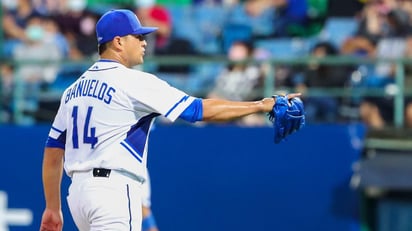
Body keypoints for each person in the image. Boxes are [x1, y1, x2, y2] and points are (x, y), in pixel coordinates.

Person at [39, 9, 301, 231]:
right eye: (138, 36)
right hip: (113, 191)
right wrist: (260, 104)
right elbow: (198, 110)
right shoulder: (133, 80)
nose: (144, 42)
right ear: (118, 42)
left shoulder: (72, 90)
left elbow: (53, 153)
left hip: (78, 196)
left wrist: (52, 207)